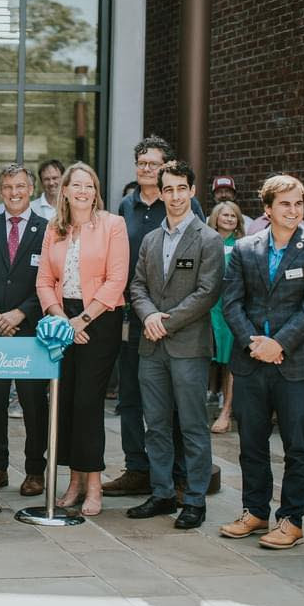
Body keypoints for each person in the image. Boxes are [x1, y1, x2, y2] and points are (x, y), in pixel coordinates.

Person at [220, 174, 304, 549]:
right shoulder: (244, 248)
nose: (294, 210)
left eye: (299, 203)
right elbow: (231, 303)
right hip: (251, 360)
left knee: (297, 445)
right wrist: (255, 344)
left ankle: (291, 520)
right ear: (267, 209)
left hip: (298, 362)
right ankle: (255, 512)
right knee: (251, 442)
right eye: (285, 203)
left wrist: (279, 344)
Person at [127, 161, 224, 529]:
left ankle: (195, 500)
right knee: (155, 425)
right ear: (161, 193)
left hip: (188, 347)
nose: (175, 195)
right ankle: (163, 492)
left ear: (192, 191)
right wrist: (149, 316)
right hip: (151, 348)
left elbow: (207, 292)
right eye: (168, 189)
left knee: (193, 426)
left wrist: (163, 323)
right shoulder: (151, 240)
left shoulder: (209, 239)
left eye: (182, 188)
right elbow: (137, 286)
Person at [108, 135, 203, 497]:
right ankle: (137, 468)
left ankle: (179, 475)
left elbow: (200, 263)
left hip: (178, 320)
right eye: (142, 163)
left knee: (175, 401)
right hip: (136, 315)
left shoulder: (182, 203)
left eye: (154, 163)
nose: (147, 169)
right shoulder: (125, 206)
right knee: (131, 395)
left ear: (167, 168)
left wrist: (169, 317)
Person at [36, 162, 129, 516]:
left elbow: (116, 279)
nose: (83, 191)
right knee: (66, 402)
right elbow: (44, 280)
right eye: (76, 185)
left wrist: (83, 319)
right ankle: (74, 481)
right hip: (63, 319)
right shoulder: (54, 228)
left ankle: (94, 486)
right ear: (65, 190)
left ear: (96, 191)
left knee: (88, 403)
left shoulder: (112, 225)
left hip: (100, 319)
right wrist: (63, 320)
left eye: (89, 186)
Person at [0, 164, 49, 496]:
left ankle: (34, 470)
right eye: (7, 187)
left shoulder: (48, 231)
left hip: (30, 330)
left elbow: (51, 280)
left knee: (34, 404)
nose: (14, 192)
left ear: (31, 189)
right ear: (0, 191)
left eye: (20, 186)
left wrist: (20, 313)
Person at [207, 201, 245, 433]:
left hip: (231, 308)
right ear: (216, 218)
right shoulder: (205, 241)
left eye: (234, 216)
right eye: (225, 215)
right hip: (207, 308)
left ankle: (226, 412)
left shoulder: (243, 245)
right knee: (207, 357)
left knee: (230, 360)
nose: (230, 219)